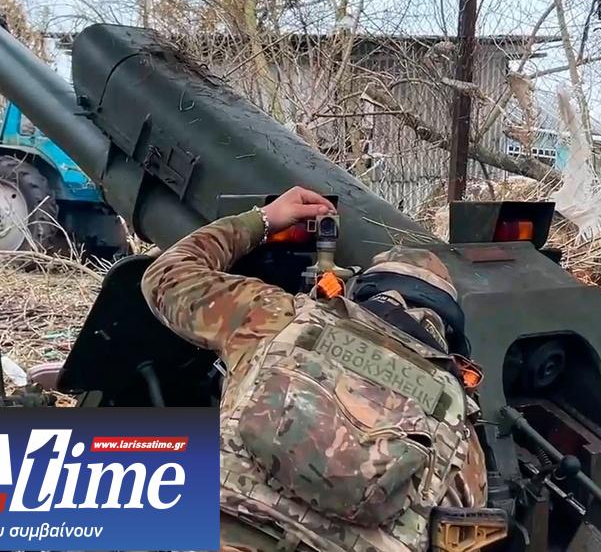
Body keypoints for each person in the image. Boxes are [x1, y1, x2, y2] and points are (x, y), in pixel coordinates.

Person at [141, 186, 493, 552]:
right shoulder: (459, 431)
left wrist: (263, 220)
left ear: (360, 291)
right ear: (446, 329)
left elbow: (165, 276)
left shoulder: (279, 318)